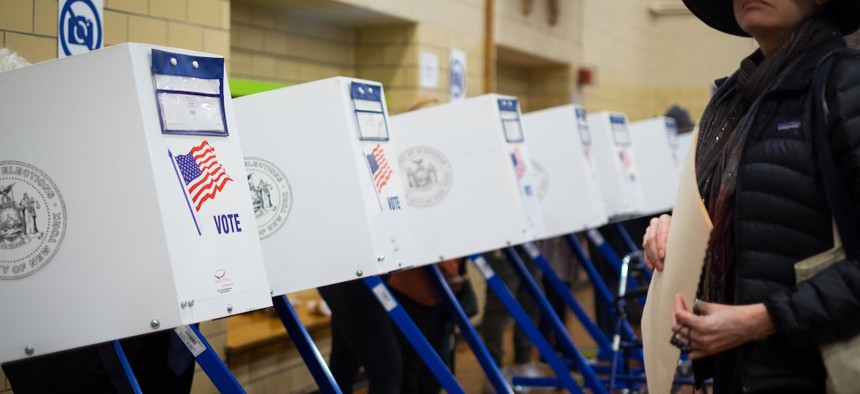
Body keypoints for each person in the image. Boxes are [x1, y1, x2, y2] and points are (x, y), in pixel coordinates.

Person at [643, 1, 860, 392]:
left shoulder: (847, 84)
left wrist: (764, 319)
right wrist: (679, 231)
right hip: (741, 372)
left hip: (816, 372)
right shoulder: (733, 100)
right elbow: (747, 213)